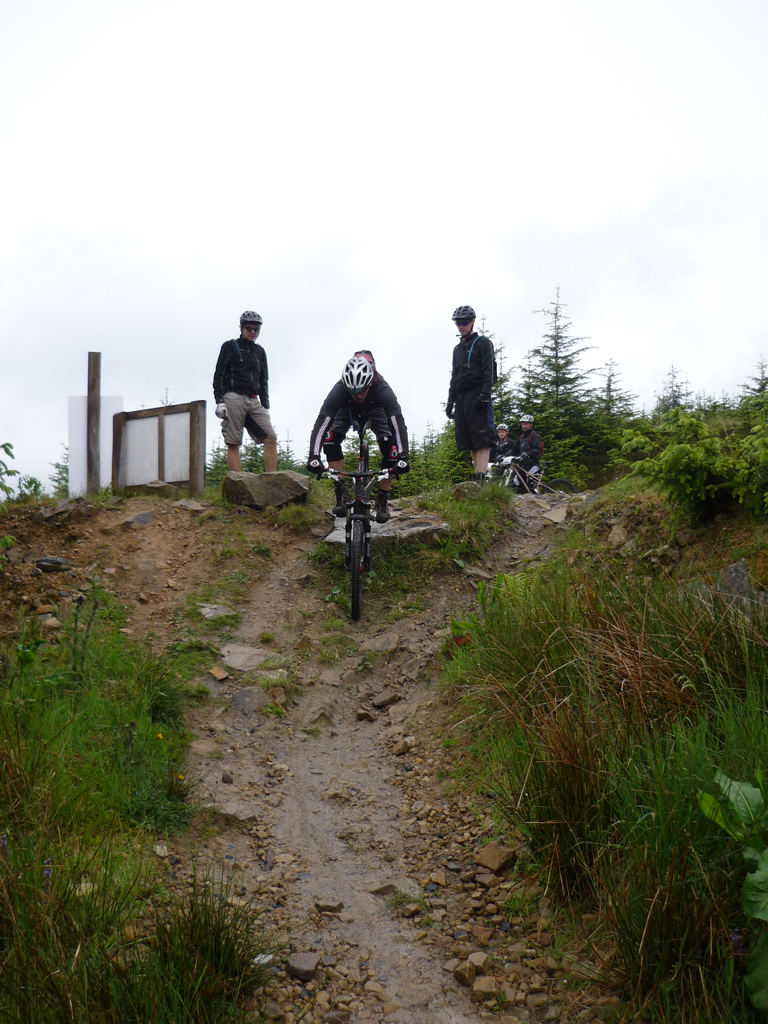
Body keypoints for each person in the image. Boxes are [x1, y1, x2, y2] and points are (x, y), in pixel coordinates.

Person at [306, 354, 409, 524]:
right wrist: (313, 455)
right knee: (330, 439)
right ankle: (340, 494)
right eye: (354, 392)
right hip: (346, 409)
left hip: (376, 409)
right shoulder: (339, 390)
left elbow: (396, 421)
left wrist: (403, 456)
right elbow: (323, 421)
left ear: (370, 383)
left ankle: (382, 499)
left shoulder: (382, 388)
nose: (359, 395)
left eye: (362, 390)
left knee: (392, 450)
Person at [212, 311, 278, 473]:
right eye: (249, 328)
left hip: (253, 399)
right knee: (234, 442)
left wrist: (266, 406)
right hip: (233, 397)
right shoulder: (230, 346)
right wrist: (220, 401)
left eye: (256, 329)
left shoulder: (260, 351)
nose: (253, 332)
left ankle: (272, 479)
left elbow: (264, 380)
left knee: (270, 438)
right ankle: (237, 480)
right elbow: (219, 375)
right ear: (241, 328)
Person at [445, 305, 496, 483]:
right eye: (458, 323)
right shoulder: (457, 349)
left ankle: (481, 478)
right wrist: (450, 401)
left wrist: (485, 393)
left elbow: (488, 370)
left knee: (482, 438)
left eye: (464, 322)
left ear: (472, 322)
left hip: (478, 393)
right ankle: (477, 478)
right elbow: (454, 376)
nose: (461, 326)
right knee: (470, 441)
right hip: (461, 397)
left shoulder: (483, 342)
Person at [509, 413, 543, 490]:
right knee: (515, 485)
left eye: (526, 424)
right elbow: (514, 449)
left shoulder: (535, 436)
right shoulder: (522, 437)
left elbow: (537, 449)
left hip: (532, 465)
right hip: (522, 465)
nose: (524, 426)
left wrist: (527, 454)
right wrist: (505, 455)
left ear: (531, 425)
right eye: (523, 424)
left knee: (531, 487)